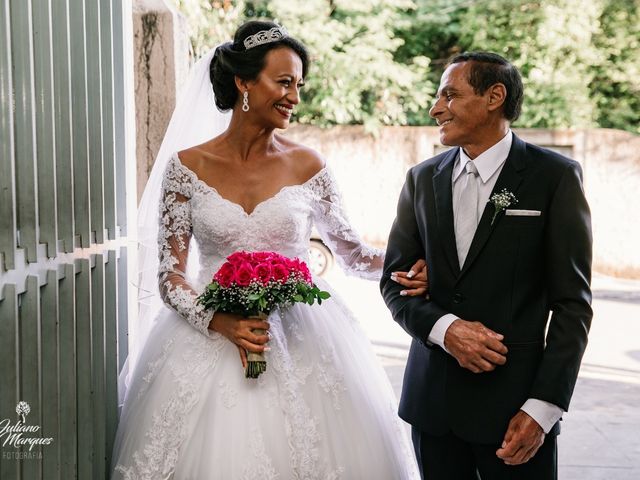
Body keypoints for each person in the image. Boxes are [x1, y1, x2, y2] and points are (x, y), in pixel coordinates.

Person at [111, 21, 424, 479]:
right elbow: (170, 275)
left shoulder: (309, 165)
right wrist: (221, 322)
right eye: (283, 82)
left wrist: (411, 264)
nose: (294, 96)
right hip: (207, 336)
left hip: (306, 337)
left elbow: (354, 254)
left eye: (299, 85)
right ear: (243, 82)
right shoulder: (186, 168)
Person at [380, 52, 593, 479]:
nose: (435, 108)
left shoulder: (555, 177)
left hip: (515, 410)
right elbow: (394, 282)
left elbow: (573, 304)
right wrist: (446, 329)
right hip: (433, 407)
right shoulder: (420, 179)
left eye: (450, 95)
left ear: (495, 96)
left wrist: (542, 408)